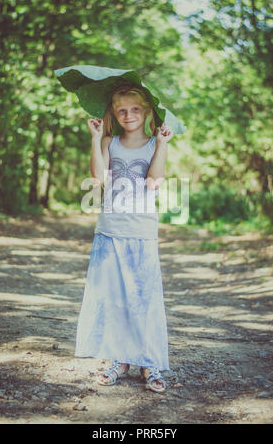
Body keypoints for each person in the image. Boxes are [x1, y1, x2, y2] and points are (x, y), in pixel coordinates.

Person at [75, 83, 173, 393]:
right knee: (115, 298)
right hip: (110, 229)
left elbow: (155, 183)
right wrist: (95, 139)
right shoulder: (109, 142)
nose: (128, 115)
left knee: (143, 298)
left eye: (134, 109)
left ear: (146, 112)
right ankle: (120, 360)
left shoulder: (153, 144)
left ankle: (148, 361)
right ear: (114, 115)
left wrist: (163, 145)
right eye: (121, 110)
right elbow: (97, 179)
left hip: (141, 231)